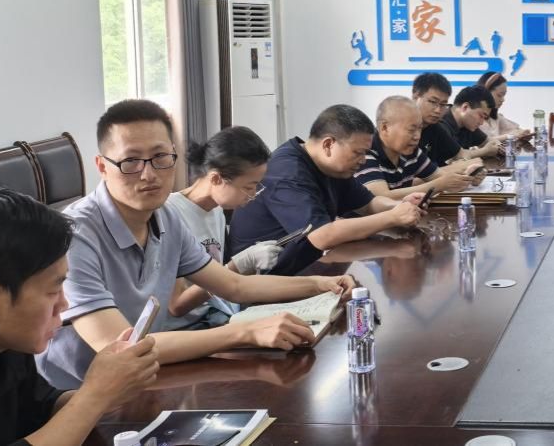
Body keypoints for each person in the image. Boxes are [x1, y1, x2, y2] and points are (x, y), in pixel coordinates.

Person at [36, 100, 358, 390]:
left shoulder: (166, 217)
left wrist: (319, 284)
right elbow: (120, 347)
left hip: (144, 380)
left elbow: (233, 285)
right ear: (102, 166)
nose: (149, 174)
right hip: (76, 393)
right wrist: (245, 332)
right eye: (131, 161)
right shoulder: (75, 234)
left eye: (161, 157)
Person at [0, 189, 160, 446]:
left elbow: (42, 408)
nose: (64, 304)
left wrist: (111, 387)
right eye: (52, 291)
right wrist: (95, 395)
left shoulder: (6, 345)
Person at [227, 103, 425, 275]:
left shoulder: (334, 168)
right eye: (358, 152)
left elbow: (368, 203)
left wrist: (400, 206)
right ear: (328, 144)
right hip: (262, 277)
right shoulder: (287, 172)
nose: (363, 160)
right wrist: (392, 217)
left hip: (304, 264)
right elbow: (322, 236)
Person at [165, 126, 276, 327]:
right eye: (248, 187)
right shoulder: (170, 214)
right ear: (216, 178)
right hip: (185, 329)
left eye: (256, 186)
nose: (253, 195)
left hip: (214, 316)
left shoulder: (216, 212)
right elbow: (177, 305)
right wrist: (237, 266)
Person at [356, 96, 481, 200]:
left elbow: (441, 178)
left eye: (419, 129)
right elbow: (381, 197)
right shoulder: (365, 153)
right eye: (411, 130)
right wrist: (437, 185)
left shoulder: (411, 151)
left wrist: (467, 177)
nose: (417, 136)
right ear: (385, 128)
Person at [412, 72, 499, 166]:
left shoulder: (435, 127)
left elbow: (460, 155)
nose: (438, 110)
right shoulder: (403, 127)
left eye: (443, 104)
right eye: (433, 102)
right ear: (415, 97)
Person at [439, 86, 498, 154]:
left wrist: (499, 147)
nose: (481, 122)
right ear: (465, 107)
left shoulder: (467, 125)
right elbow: (455, 156)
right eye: (481, 116)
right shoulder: (440, 123)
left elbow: (488, 142)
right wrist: (485, 151)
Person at [475, 71, 530, 139]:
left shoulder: (496, 117)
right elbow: (482, 142)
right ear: (485, 92)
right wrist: (509, 136)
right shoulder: (472, 118)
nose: (503, 100)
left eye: (504, 95)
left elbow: (515, 130)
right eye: (499, 95)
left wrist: (523, 133)